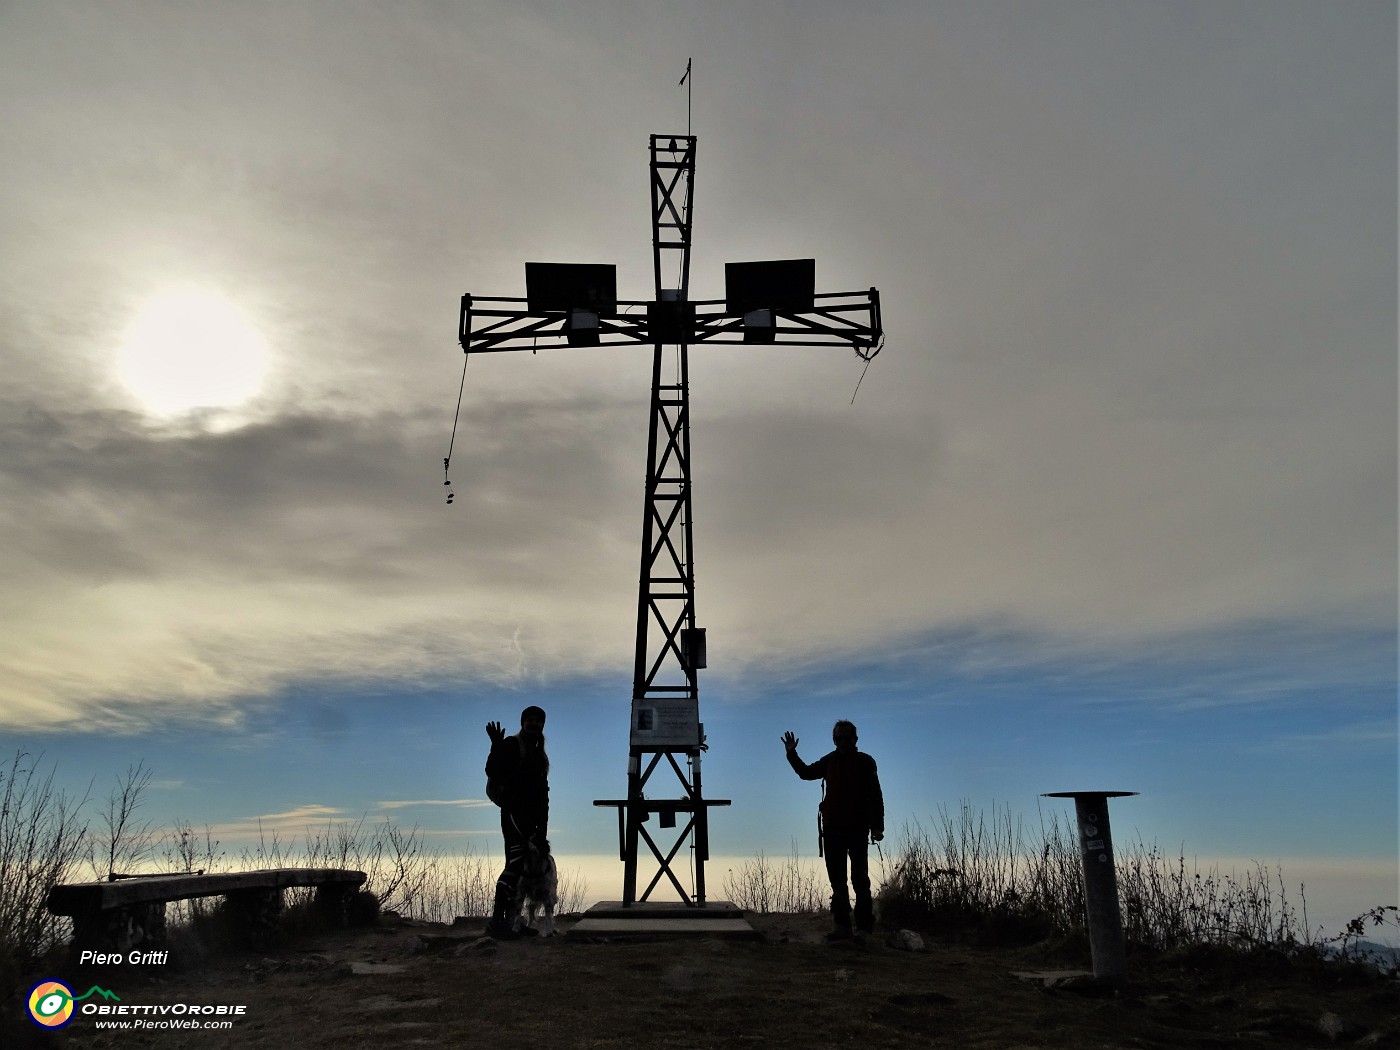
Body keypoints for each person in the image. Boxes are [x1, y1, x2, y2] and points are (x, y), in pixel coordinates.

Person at [781, 720, 884, 940]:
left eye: (847, 737)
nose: (844, 741)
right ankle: (842, 927)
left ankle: (864, 928)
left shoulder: (866, 762)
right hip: (833, 829)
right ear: (834, 740)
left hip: (857, 828)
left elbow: (875, 795)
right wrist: (791, 754)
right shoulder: (830, 760)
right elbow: (806, 773)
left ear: (855, 739)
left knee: (859, 878)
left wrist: (877, 827)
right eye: (840, 738)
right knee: (837, 879)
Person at [484, 705, 549, 939]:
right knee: (514, 868)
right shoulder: (513, 745)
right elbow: (492, 769)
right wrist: (496, 747)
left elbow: (543, 796)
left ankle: (512, 922)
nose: (533, 723)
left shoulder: (539, 754)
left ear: (543, 725)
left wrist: (542, 832)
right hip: (513, 816)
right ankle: (497, 923)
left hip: (529, 820)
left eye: (538, 720)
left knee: (520, 870)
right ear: (522, 722)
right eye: (529, 719)